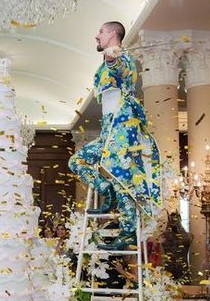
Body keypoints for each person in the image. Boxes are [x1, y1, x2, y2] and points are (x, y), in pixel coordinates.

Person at [69, 21, 161, 250]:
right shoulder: (104, 65)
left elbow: (120, 69)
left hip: (124, 128)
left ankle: (129, 230)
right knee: (77, 160)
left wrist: (113, 59)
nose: (96, 35)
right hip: (109, 130)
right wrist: (109, 60)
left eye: (100, 31)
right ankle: (105, 190)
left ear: (112, 33)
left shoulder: (124, 59)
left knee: (119, 171)